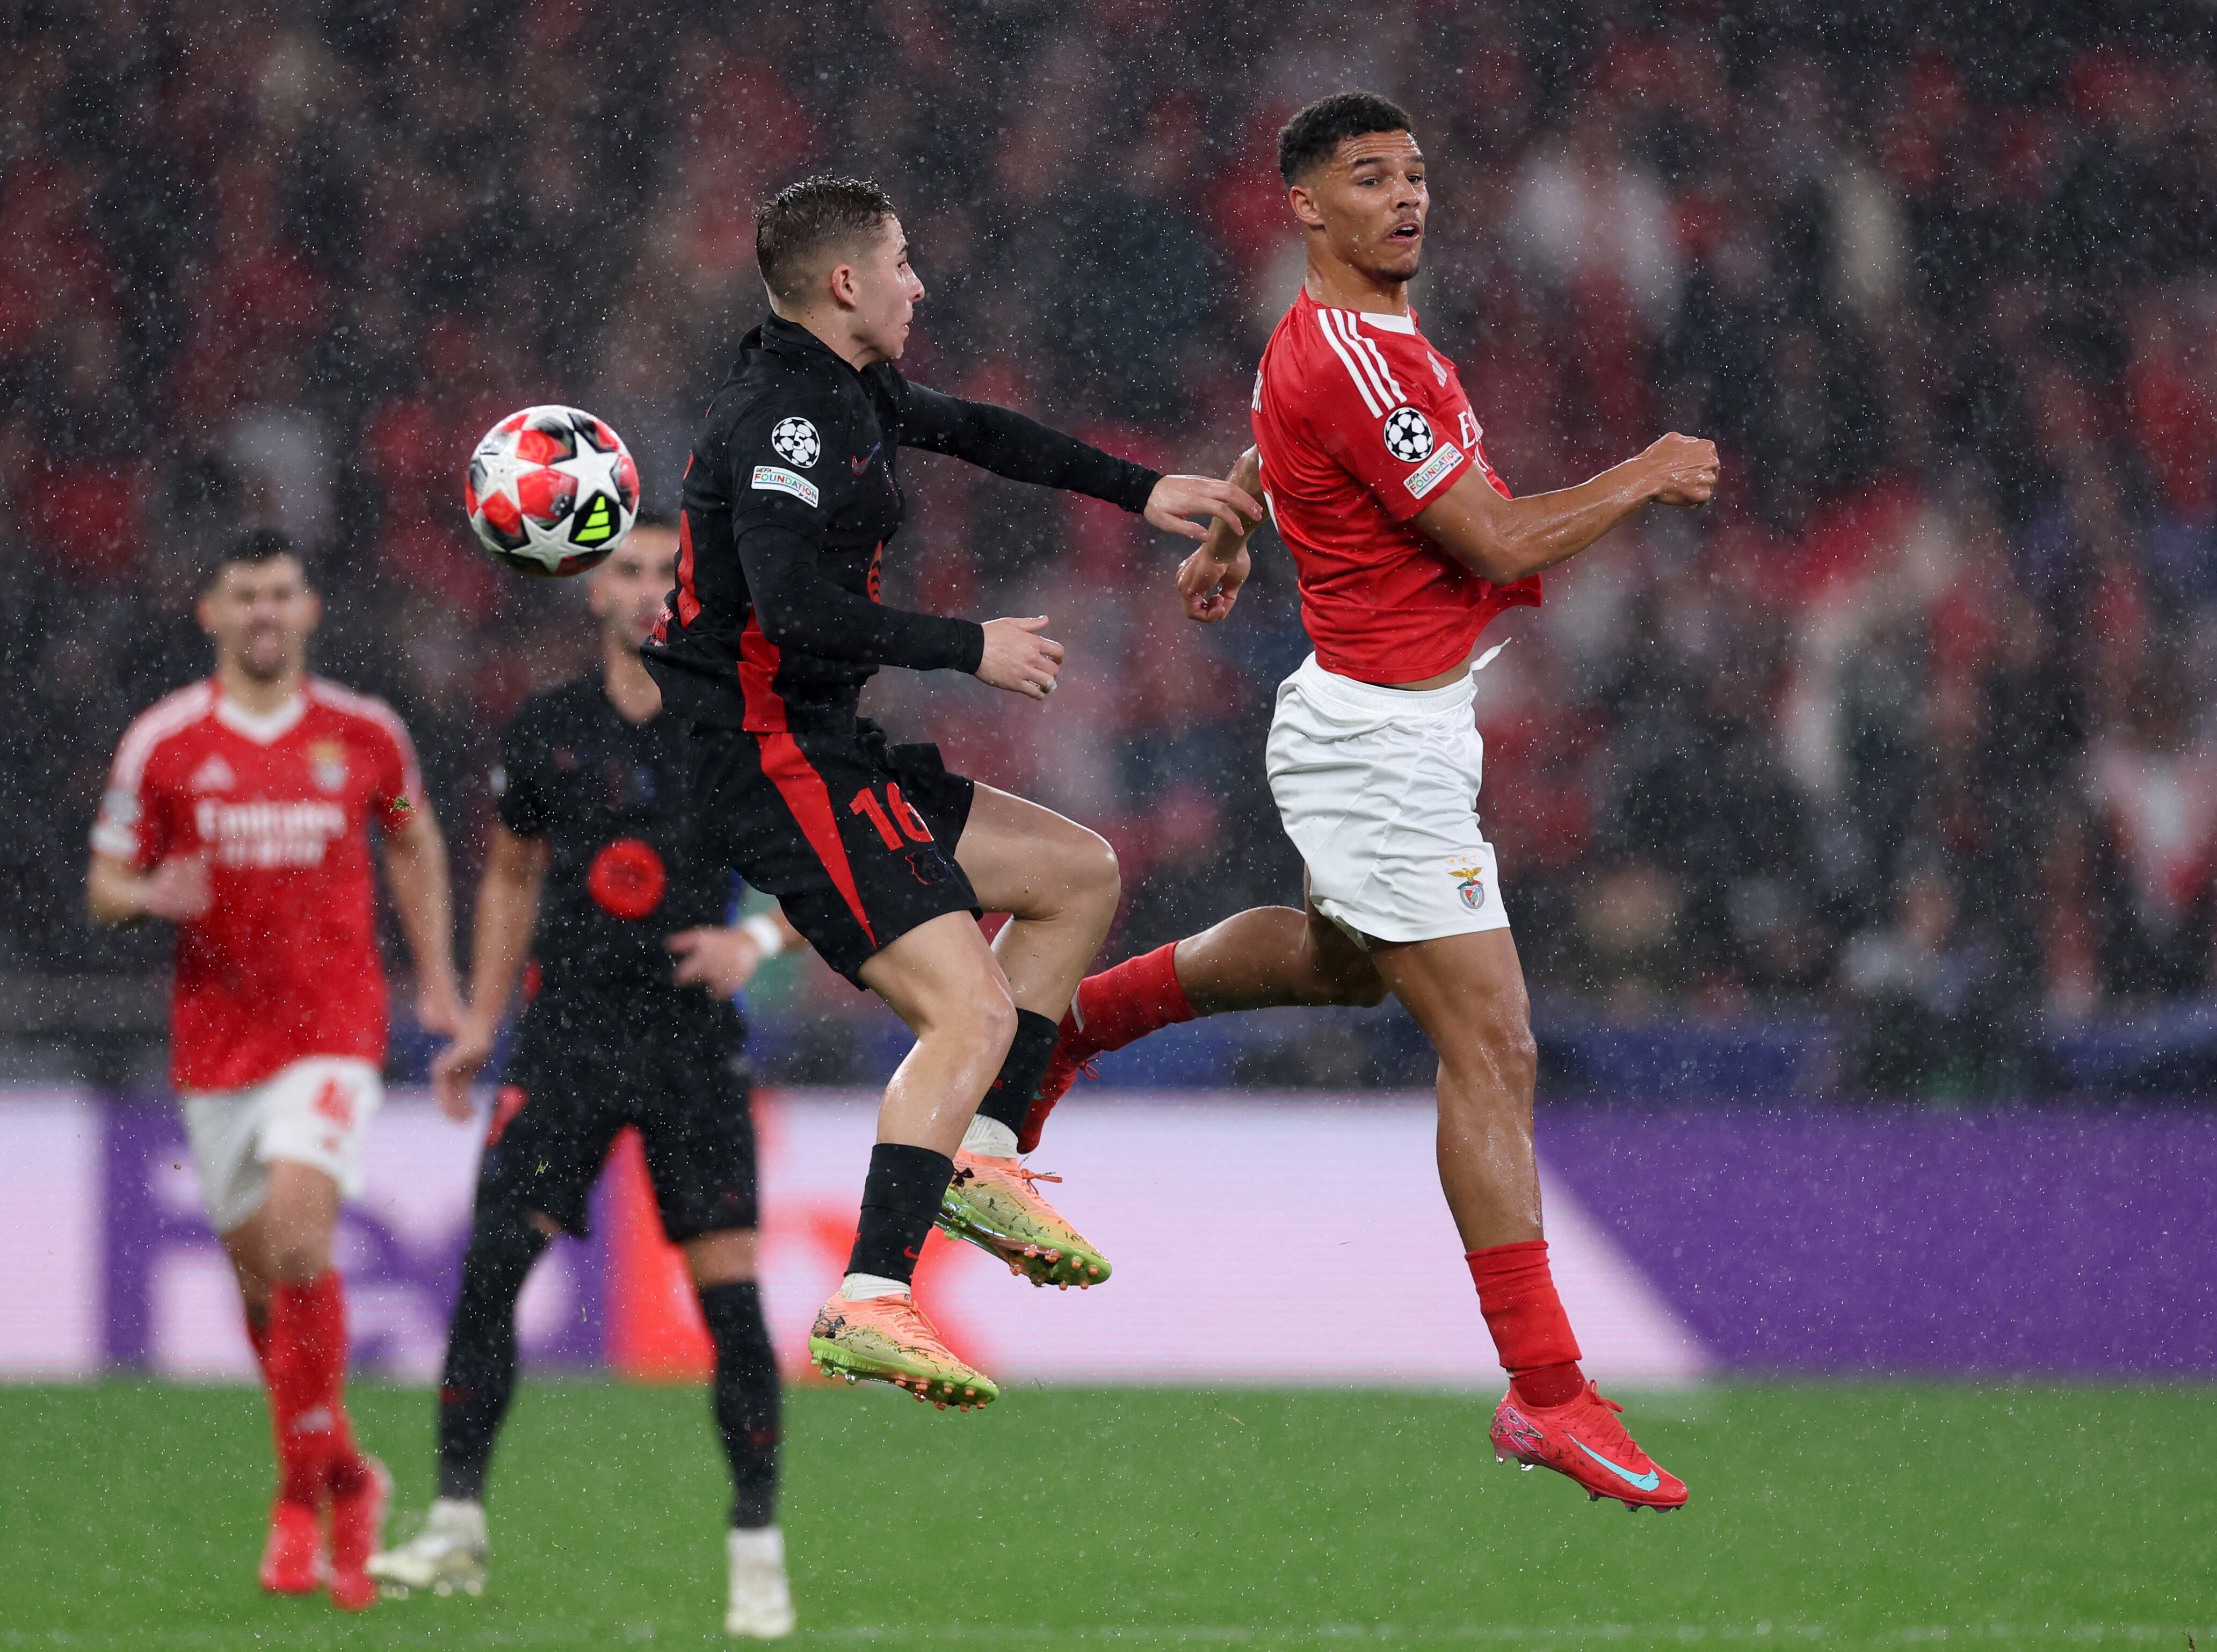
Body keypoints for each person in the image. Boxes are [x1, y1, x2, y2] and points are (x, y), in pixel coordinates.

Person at [1024, 93, 1720, 1510]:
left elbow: (1291, 435)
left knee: (1339, 960)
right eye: (1369, 178)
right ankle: (1546, 1389)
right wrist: (1646, 472)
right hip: (1378, 741)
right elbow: (1498, 533)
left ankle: (1062, 1028)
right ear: (1305, 205)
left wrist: (1231, 519)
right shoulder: (1349, 351)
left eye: (1415, 175)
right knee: (1495, 1038)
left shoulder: (1356, 342)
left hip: (1409, 721)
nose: (1406, 198)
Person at [641, 174, 1261, 1410]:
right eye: (903, 261)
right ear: (844, 283)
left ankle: (983, 1155)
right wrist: (966, 645)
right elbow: (795, 613)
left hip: (826, 743)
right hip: (772, 757)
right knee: (968, 1015)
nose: (921, 283)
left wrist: (1144, 489)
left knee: (1076, 873)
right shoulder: (784, 422)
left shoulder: (847, 389)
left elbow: (982, 432)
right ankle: (871, 1293)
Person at [367, 518, 808, 1637]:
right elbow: (512, 875)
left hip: (690, 1043)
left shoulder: (735, 725)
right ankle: (457, 1524)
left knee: (730, 1297)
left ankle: (757, 1547)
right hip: (568, 1035)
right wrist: (476, 1018)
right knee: (491, 1269)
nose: (652, 587)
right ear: (593, 589)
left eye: (671, 571)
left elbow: (818, 870)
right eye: (630, 569)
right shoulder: (549, 725)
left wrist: (750, 949)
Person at [87, 529, 462, 1608]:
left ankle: (302, 1495)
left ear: (309, 611)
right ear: (210, 611)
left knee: (302, 1237)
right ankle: (350, 1469)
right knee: (269, 1287)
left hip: (336, 1030)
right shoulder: (164, 741)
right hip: (217, 1049)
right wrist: (154, 894)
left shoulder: (365, 733)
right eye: (244, 593)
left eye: (282, 594)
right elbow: (107, 880)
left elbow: (416, 840)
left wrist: (434, 982)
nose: (265, 611)